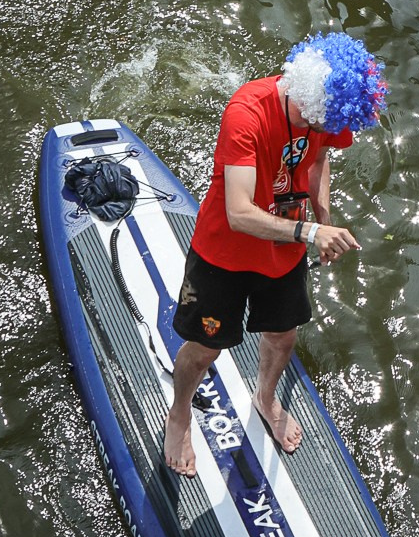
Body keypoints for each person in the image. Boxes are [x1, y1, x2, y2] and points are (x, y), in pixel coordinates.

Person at [163, 33, 388, 477]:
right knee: (206, 347)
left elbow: (320, 159)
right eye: (325, 124)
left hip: (285, 248)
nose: (329, 134)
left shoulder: (327, 112)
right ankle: (180, 413)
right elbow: (239, 212)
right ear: (308, 100)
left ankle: (265, 397)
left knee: (283, 336)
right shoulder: (246, 113)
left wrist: (323, 212)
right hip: (224, 253)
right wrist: (311, 230)